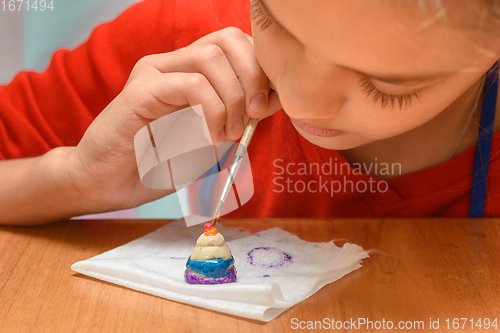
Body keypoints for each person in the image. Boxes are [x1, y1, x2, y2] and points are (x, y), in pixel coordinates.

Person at [0, 0, 499, 225]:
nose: (299, 100)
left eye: (387, 83)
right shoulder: (190, 44)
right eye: (272, 19)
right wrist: (75, 179)